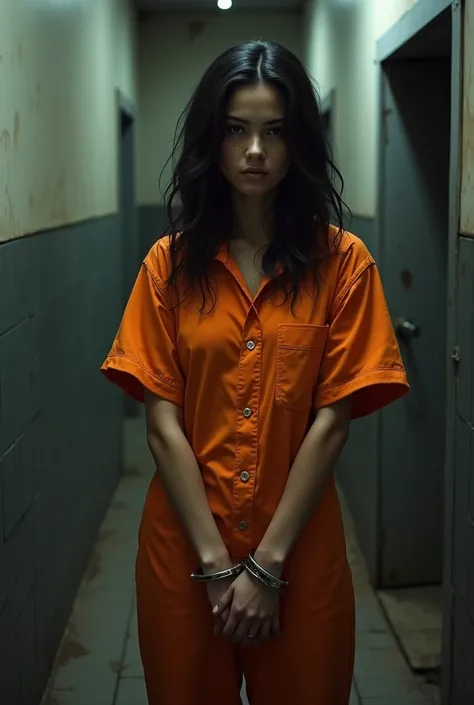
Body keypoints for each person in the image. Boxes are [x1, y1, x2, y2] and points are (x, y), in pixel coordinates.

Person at [101, 40, 409, 705]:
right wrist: (215, 565)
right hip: (184, 548)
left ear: (298, 141)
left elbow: (333, 421)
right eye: (237, 130)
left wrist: (267, 565)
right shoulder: (168, 265)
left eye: (274, 131)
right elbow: (161, 422)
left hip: (300, 550)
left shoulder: (343, 264)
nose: (255, 151)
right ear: (213, 140)